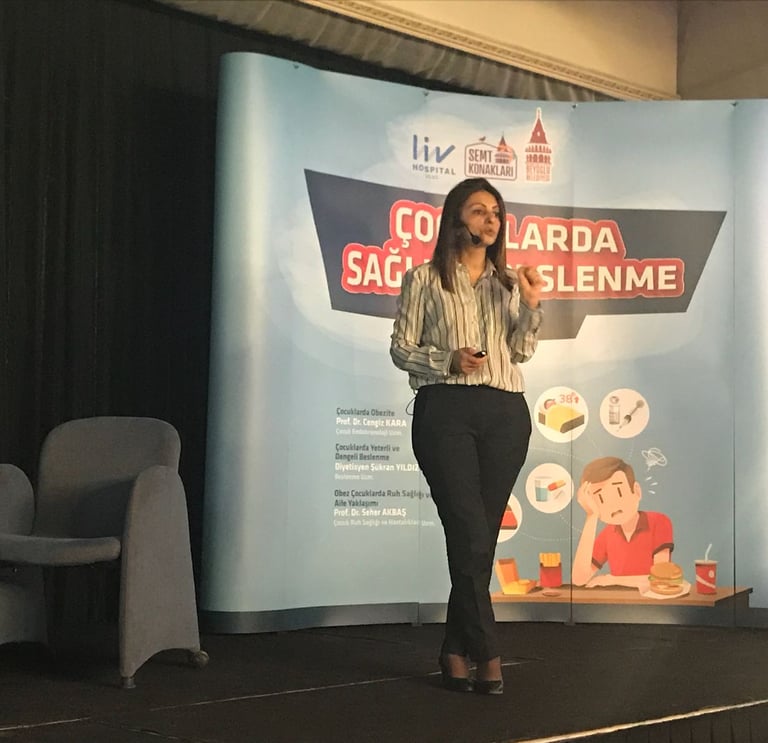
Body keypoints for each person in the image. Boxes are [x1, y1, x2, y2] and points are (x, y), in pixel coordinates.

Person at [390, 177, 544, 694]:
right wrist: (446, 360)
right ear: (456, 218)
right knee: (469, 531)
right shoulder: (424, 278)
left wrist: (530, 303)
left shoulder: (506, 284)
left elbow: (520, 352)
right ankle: (488, 653)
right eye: (479, 210)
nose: (490, 220)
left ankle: (454, 649)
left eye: (496, 213)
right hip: (446, 410)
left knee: (479, 539)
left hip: (505, 413)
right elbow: (401, 348)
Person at [572, 456, 674, 590]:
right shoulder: (608, 534)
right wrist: (591, 516)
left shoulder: (659, 522)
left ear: (637, 491)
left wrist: (613, 580)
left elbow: (661, 579)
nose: (613, 505)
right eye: (601, 499)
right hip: (619, 600)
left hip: (652, 600)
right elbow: (579, 579)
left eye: (619, 492)